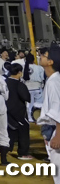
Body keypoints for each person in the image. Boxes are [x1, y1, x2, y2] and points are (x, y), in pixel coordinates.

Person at [37, 45, 60, 184]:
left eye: (44, 55)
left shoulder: (54, 82)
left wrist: (57, 135)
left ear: (51, 62)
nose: (40, 56)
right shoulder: (53, 79)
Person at [4, 63, 32, 160]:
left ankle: (6, 149)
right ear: (19, 72)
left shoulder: (5, 82)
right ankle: (23, 153)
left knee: (10, 130)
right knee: (24, 130)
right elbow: (26, 98)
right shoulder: (19, 84)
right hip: (18, 111)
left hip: (6, 110)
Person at [24, 52, 45, 122]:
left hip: (27, 88)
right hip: (37, 88)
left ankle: (29, 118)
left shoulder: (24, 68)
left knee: (29, 105)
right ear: (33, 60)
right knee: (39, 104)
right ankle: (38, 118)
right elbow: (42, 78)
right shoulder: (39, 68)